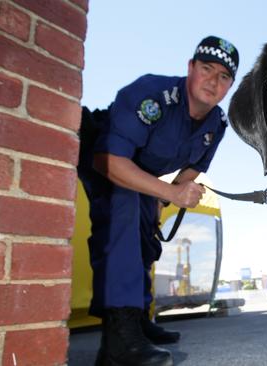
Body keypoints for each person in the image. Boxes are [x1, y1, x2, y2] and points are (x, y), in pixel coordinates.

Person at [77, 36, 238, 366]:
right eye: (206, 69)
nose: (213, 81)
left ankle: (138, 322)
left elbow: (195, 167)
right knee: (121, 216)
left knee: (147, 237)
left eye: (224, 77)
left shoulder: (217, 123)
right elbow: (108, 161)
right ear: (190, 68)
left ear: (230, 86)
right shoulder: (152, 94)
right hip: (104, 156)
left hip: (142, 175)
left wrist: (168, 195)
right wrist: (171, 193)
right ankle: (118, 343)